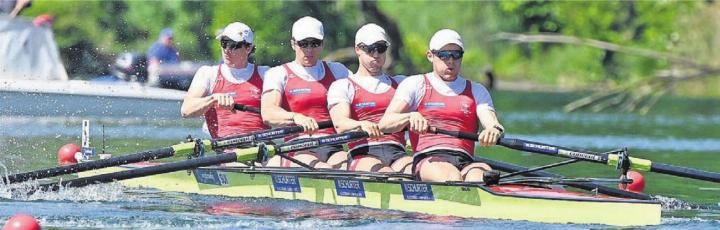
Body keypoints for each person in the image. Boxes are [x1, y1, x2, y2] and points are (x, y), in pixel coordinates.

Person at [379, 29, 504, 182]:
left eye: (456, 55)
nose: (450, 60)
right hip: (429, 161)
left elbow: (493, 123)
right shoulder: (415, 84)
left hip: (465, 161)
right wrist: (410, 116)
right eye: (443, 55)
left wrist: (494, 130)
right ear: (430, 56)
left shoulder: (477, 90)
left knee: (483, 175)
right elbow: (385, 124)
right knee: (451, 176)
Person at [261, 16, 352, 169]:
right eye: (304, 44)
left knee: (349, 168)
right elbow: (268, 113)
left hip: (331, 145)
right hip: (297, 147)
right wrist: (295, 117)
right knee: (324, 170)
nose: (309, 50)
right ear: (293, 44)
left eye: (314, 44)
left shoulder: (338, 71)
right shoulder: (278, 73)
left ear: (322, 44)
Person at [327, 23, 411, 173]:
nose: (376, 54)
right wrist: (361, 125)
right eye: (370, 49)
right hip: (363, 153)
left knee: (414, 169)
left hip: (397, 152)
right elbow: (340, 124)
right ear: (357, 50)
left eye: (380, 48)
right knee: (389, 175)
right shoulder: (342, 86)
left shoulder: (402, 83)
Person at [181, 22, 269, 138]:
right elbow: (186, 110)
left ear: (248, 48)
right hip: (226, 151)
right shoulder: (208, 73)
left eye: (233, 45)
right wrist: (213, 99)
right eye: (224, 43)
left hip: (262, 148)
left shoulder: (265, 74)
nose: (226, 50)